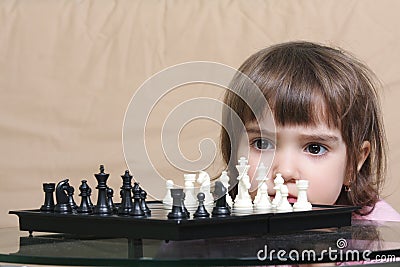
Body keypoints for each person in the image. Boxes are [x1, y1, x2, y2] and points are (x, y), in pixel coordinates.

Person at [220, 41, 400, 221]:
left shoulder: (380, 232)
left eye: (315, 148)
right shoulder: (216, 222)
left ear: (353, 164)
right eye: (262, 144)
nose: (285, 171)